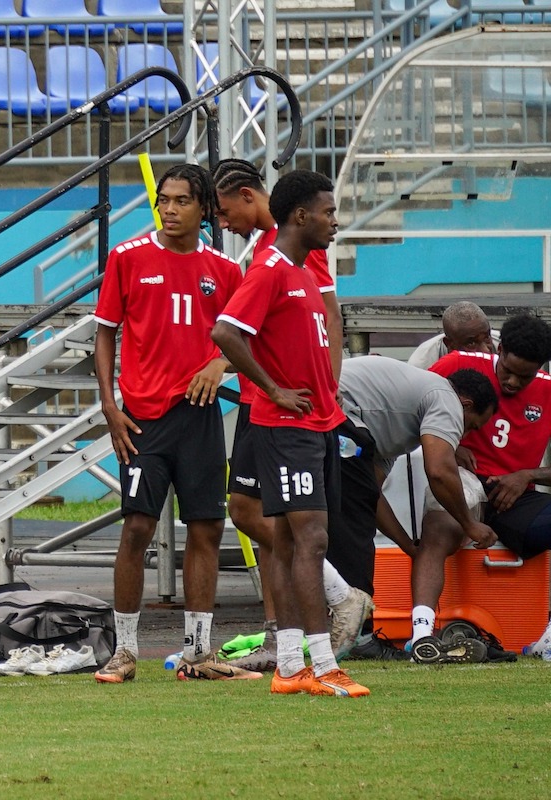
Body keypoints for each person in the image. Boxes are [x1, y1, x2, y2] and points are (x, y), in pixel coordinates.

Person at [89, 164, 257, 684]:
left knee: (205, 527)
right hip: (142, 418)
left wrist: (219, 363)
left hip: (201, 418)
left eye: (182, 200)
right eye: (164, 199)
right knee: (136, 527)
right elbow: (104, 335)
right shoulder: (128, 257)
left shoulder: (225, 271)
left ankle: (198, 652)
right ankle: (124, 652)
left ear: (204, 207)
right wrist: (110, 406)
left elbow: (247, 336)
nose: (169, 209)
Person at [212, 169, 369, 697]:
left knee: (284, 542)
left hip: (317, 422)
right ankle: (322, 666)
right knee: (311, 538)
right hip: (287, 425)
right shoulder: (271, 269)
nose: (335, 221)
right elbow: (225, 332)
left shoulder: (302, 271)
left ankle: (286, 667)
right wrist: (274, 390)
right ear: (300, 216)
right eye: (328, 212)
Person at [329, 357, 499, 661]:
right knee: (354, 530)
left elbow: (371, 497)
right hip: (337, 408)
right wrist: (470, 525)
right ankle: (361, 637)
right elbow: (440, 471)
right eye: (471, 426)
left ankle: (334, 630)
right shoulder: (445, 397)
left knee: (344, 522)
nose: (465, 435)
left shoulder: (394, 431)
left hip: (334, 411)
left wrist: (408, 545)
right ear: (466, 404)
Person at [409, 313, 551, 662]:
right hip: (466, 480)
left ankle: (547, 639)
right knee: (440, 524)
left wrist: (526, 475)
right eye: (508, 371)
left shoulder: (548, 388)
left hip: (515, 494)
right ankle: (421, 636)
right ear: (498, 350)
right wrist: (448, 444)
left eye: (525, 375)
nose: (514, 382)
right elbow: (409, 405)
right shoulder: (458, 363)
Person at [407, 301, 498, 370]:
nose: (485, 351)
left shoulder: (505, 346)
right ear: (449, 344)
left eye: (487, 337)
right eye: (471, 343)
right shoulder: (422, 366)